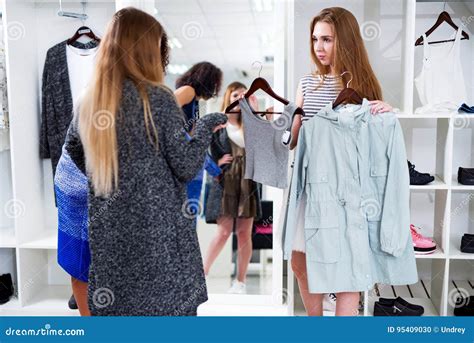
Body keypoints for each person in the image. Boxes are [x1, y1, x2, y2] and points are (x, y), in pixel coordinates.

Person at [63, 7, 227, 316]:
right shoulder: (157, 99)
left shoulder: (89, 102)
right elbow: (186, 165)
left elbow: (73, 149)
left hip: (112, 243)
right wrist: (208, 124)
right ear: (148, 50)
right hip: (159, 245)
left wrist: (113, 175)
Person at [289, 7, 394, 316]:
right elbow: (294, 141)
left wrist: (386, 112)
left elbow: (373, 145)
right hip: (310, 186)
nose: (319, 47)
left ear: (345, 41)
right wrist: (293, 122)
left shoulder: (364, 89)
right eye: (315, 39)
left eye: (327, 39)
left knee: (347, 267)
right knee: (300, 261)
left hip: (349, 189)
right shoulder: (308, 85)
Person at [202, 82, 262, 294]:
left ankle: (240, 282)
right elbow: (200, 150)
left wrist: (254, 112)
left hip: (248, 182)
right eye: (235, 94)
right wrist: (214, 165)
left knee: (245, 234)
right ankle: (202, 276)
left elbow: (265, 146)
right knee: (223, 232)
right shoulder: (218, 124)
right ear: (228, 98)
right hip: (225, 182)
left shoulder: (252, 124)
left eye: (243, 95)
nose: (239, 98)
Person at [174, 63, 223, 220]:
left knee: (189, 212)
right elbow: (164, 111)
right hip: (180, 156)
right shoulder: (188, 91)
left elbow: (193, 135)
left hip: (188, 158)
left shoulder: (194, 100)